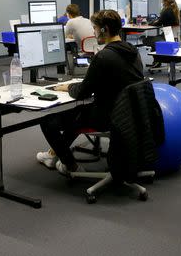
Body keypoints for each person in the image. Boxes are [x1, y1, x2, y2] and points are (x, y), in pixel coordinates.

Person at [37, 10, 144, 174]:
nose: (93, 32)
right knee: (75, 114)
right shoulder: (132, 51)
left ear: (104, 30)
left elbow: (82, 93)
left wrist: (68, 87)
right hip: (129, 113)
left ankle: (71, 166)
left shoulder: (103, 57)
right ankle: (53, 154)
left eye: (95, 28)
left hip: (107, 117)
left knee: (48, 122)